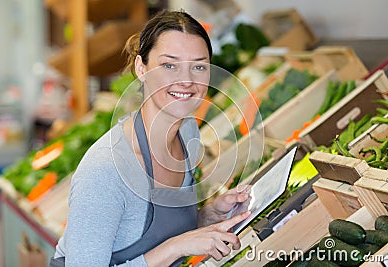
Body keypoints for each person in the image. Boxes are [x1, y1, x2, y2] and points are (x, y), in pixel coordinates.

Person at [50, 10, 251, 267]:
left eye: (199, 66)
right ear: (141, 68)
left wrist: (207, 218)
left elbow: (156, 234)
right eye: (169, 65)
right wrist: (177, 246)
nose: (186, 80)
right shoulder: (106, 171)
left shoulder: (187, 132)